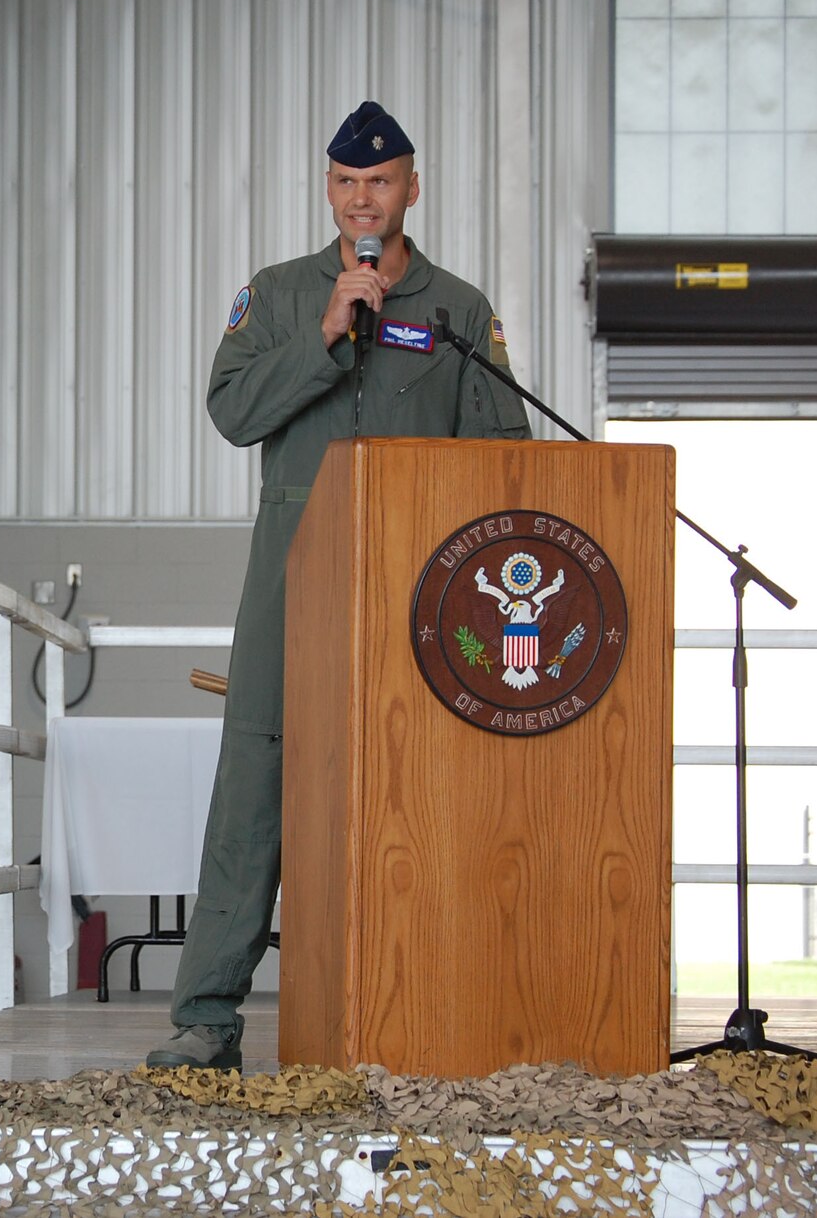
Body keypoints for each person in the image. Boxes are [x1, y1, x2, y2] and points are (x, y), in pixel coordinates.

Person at [145, 101, 531, 1070]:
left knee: (426, 786)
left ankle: (434, 1006)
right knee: (253, 790)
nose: (363, 198)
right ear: (329, 191)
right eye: (346, 183)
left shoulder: (458, 310)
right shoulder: (276, 297)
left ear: (411, 187)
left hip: (422, 598)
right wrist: (322, 335)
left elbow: (504, 458)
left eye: (382, 181)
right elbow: (230, 409)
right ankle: (205, 1017)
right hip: (290, 587)